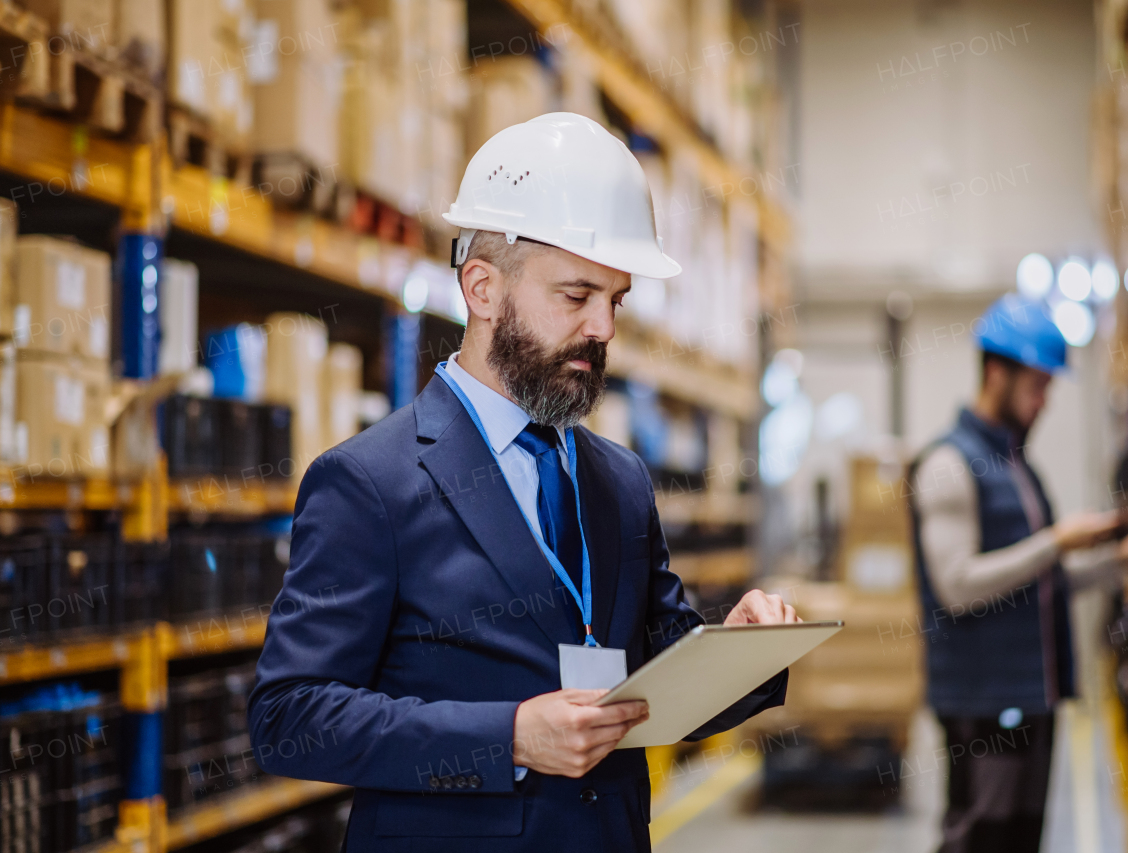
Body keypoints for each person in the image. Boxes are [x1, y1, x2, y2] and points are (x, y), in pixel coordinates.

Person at [247, 113, 796, 853]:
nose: (602, 327)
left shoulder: (619, 481)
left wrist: (739, 653)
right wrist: (508, 736)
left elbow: (656, 675)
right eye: (576, 295)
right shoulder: (369, 482)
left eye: (617, 299)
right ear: (482, 288)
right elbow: (291, 716)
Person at [909, 294, 1128, 853]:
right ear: (995, 373)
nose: (1043, 403)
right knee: (978, 840)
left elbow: (1040, 584)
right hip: (984, 703)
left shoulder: (1018, 467)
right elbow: (957, 587)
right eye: (1037, 386)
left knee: (1018, 842)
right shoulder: (947, 463)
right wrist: (1056, 540)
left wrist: (1123, 557)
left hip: (1033, 697)